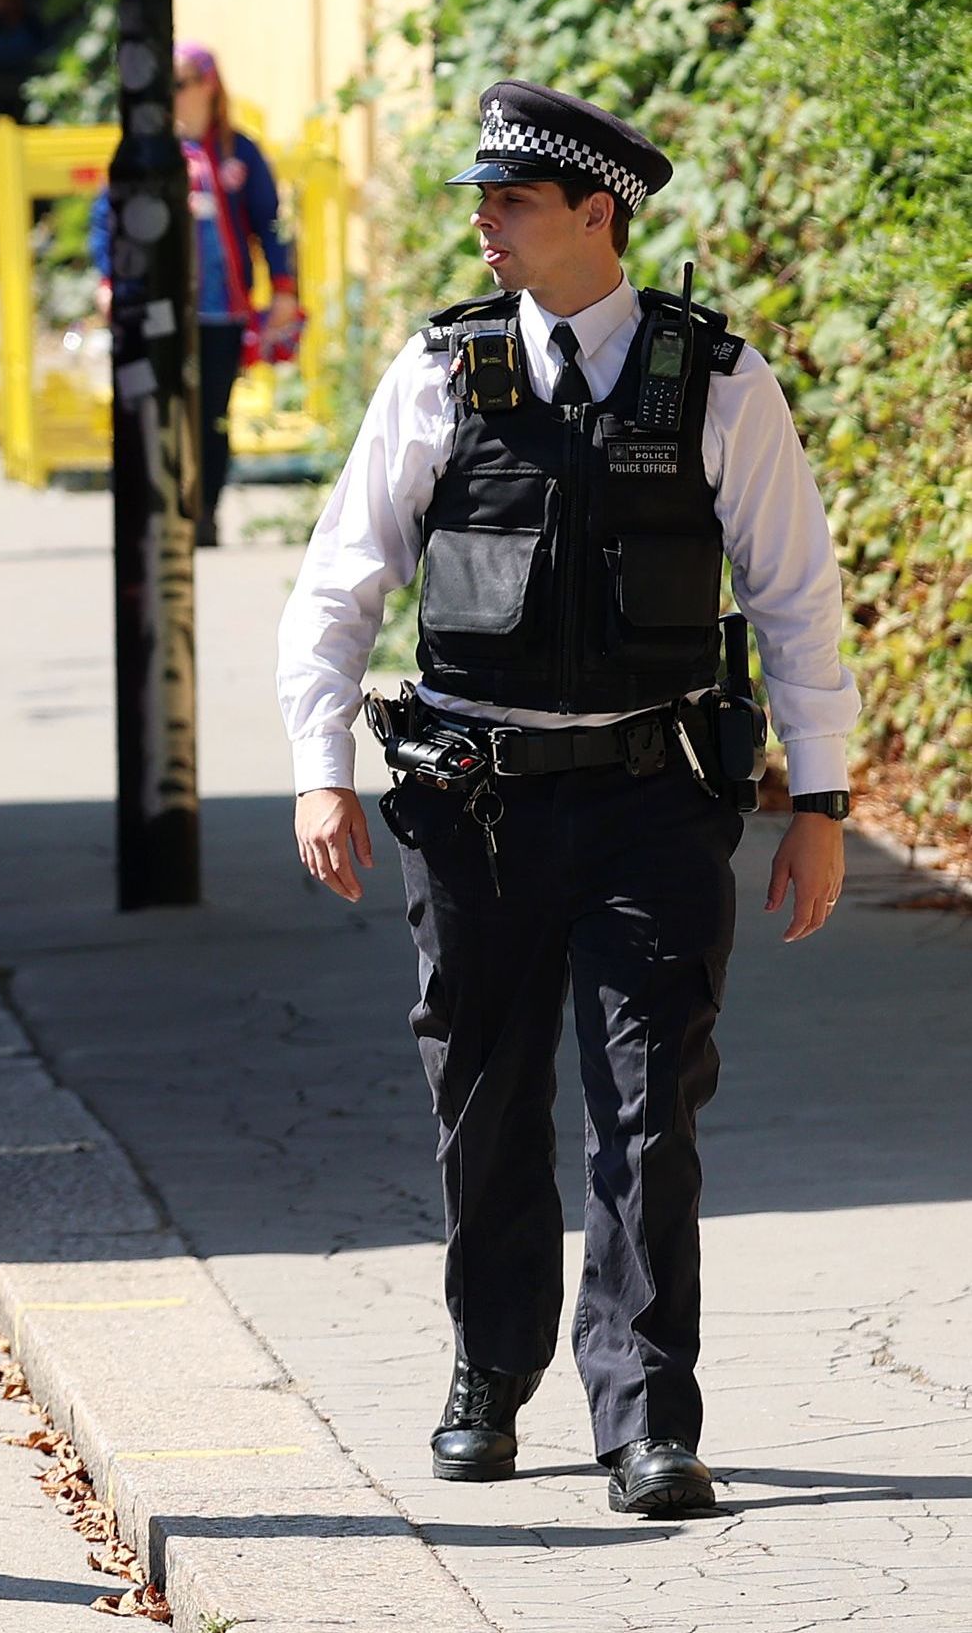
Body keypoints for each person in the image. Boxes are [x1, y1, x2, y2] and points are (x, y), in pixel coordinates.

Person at [276, 83, 854, 1523]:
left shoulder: (715, 379)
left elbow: (797, 599)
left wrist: (824, 797)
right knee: (484, 1102)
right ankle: (490, 1367)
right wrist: (317, 765)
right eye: (482, 197)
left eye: (513, 200)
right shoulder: (440, 373)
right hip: (475, 806)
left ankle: (649, 1418)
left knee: (650, 1110)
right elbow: (339, 582)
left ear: (599, 213)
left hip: (654, 801)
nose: (483, 219)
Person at [91, 41, 304, 545]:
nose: (172, 95)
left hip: (219, 310)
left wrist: (283, 289)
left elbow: (271, 224)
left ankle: (204, 511)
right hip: (156, 307)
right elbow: (108, 219)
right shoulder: (147, 150)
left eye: (181, 83)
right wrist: (108, 281)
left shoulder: (239, 153)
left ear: (208, 86)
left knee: (210, 415)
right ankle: (162, 513)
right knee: (158, 408)